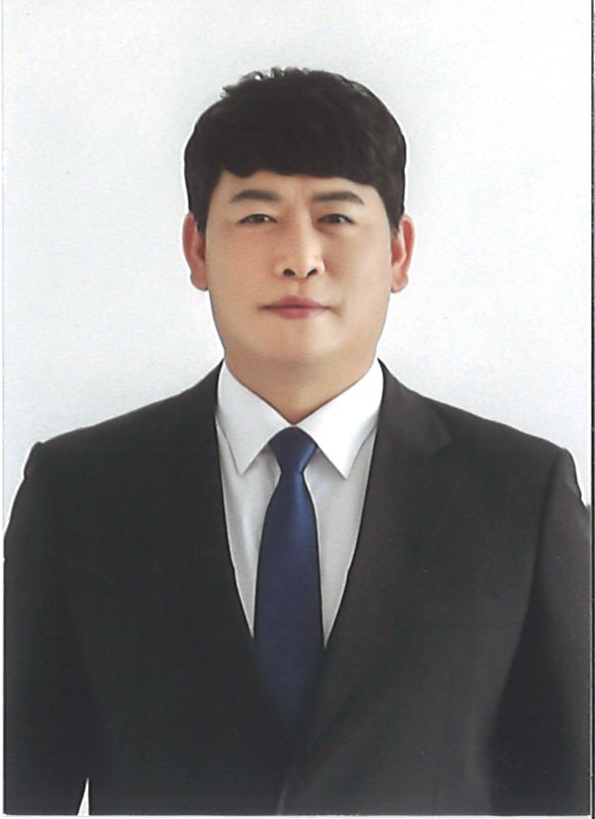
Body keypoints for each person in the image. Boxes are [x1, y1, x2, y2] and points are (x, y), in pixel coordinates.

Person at [4, 68, 589, 816]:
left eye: (336, 216)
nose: (299, 257)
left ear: (399, 252)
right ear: (197, 249)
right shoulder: (79, 493)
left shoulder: (520, 496)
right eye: (257, 216)